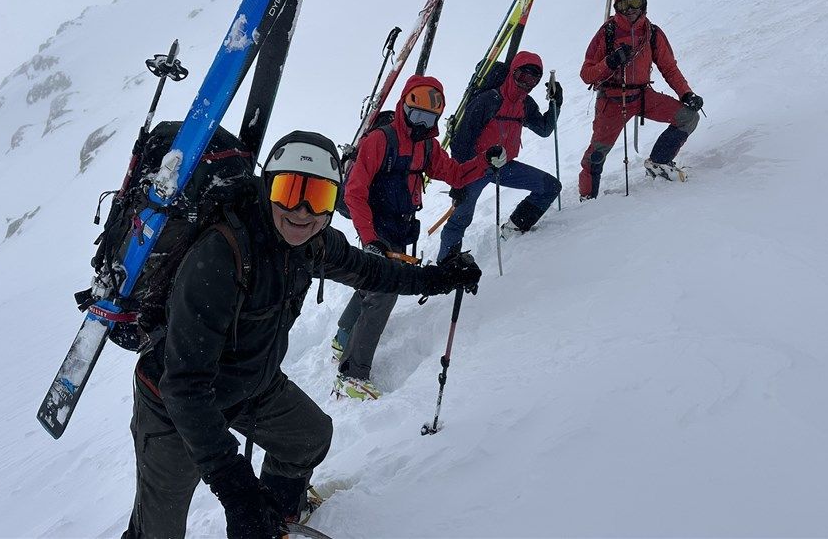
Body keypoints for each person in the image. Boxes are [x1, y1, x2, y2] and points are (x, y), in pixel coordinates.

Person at [123, 130, 482, 539]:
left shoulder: (314, 243)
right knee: (159, 530)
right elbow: (184, 386)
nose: (302, 211)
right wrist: (238, 491)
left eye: (319, 197)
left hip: (250, 384)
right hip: (174, 402)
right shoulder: (220, 254)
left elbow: (372, 270)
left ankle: (278, 519)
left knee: (308, 438)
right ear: (268, 188)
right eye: (290, 190)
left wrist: (437, 278)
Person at [334, 75, 500, 401]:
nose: (421, 123)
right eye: (416, 115)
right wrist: (370, 239)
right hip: (376, 225)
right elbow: (354, 193)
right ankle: (352, 375)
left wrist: (485, 161)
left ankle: (343, 335)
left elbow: (455, 174)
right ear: (403, 107)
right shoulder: (380, 140)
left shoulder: (427, 146)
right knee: (384, 291)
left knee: (374, 281)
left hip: (399, 226)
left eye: (429, 118)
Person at [578, 0, 703, 199]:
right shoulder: (607, 33)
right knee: (596, 155)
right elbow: (586, 74)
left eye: (635, 2)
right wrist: (610, 62)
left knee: (688, 117)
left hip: (642, 96)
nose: (630, 9)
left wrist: (686, 93)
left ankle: (659, 162)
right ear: (617, 7)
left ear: (644, 3)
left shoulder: (652, 33)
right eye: (624, 4)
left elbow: (669, 67)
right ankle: (588, 198)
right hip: (612, 101)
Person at [436, 50, 563, 262]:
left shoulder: (525, 104)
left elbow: (544, 129)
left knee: (550, 187)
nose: (526, 83)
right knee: (460, 219)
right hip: (475, 169)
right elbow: (461, 143)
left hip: (504, 166)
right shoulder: (488, 100)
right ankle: (445, 265)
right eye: (522, 76)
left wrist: (555, 103)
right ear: (512, 72)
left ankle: (514, 228)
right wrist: (459, 181)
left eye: (532, 79)